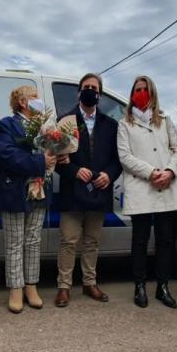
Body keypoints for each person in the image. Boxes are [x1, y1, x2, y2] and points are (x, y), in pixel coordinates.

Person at [116, 75, 177, 308]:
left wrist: (169, 172)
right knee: (140, 240)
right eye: (137, 89)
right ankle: (140, 286)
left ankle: (163, 287)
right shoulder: (124, 123)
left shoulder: (165, 120)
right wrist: (152, 172)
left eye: (145, 89)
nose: (141, 93)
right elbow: (125, 157)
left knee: (165, 240)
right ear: (131, 94)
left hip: (166, 186)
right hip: (142, 186)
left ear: (153, 92)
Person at [54, 73, 122, 307]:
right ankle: (64, 287)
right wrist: (74, 170)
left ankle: (89, 283)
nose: (90, 90)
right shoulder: (65, 121)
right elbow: (56, 159)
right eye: (86, 87)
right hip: (72, 191)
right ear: (79, 92)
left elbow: (117, 159)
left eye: (94, 87)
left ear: (100, 94)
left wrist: (109, 175)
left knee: (92, 241)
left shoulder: (111, 124)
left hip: (99, 191)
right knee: (69, 241)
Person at [0, 85, 60, 313]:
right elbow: (7, 156)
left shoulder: (44, 127)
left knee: (33, 241)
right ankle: (15, 289)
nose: (38, 101)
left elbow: (52, 151)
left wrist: (57, 153)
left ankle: (31, 286)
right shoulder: (6, 125)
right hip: (14, 191)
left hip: (39, 189)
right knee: (14, 243)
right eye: (34, 97)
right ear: (22, 102)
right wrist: (41, 163)